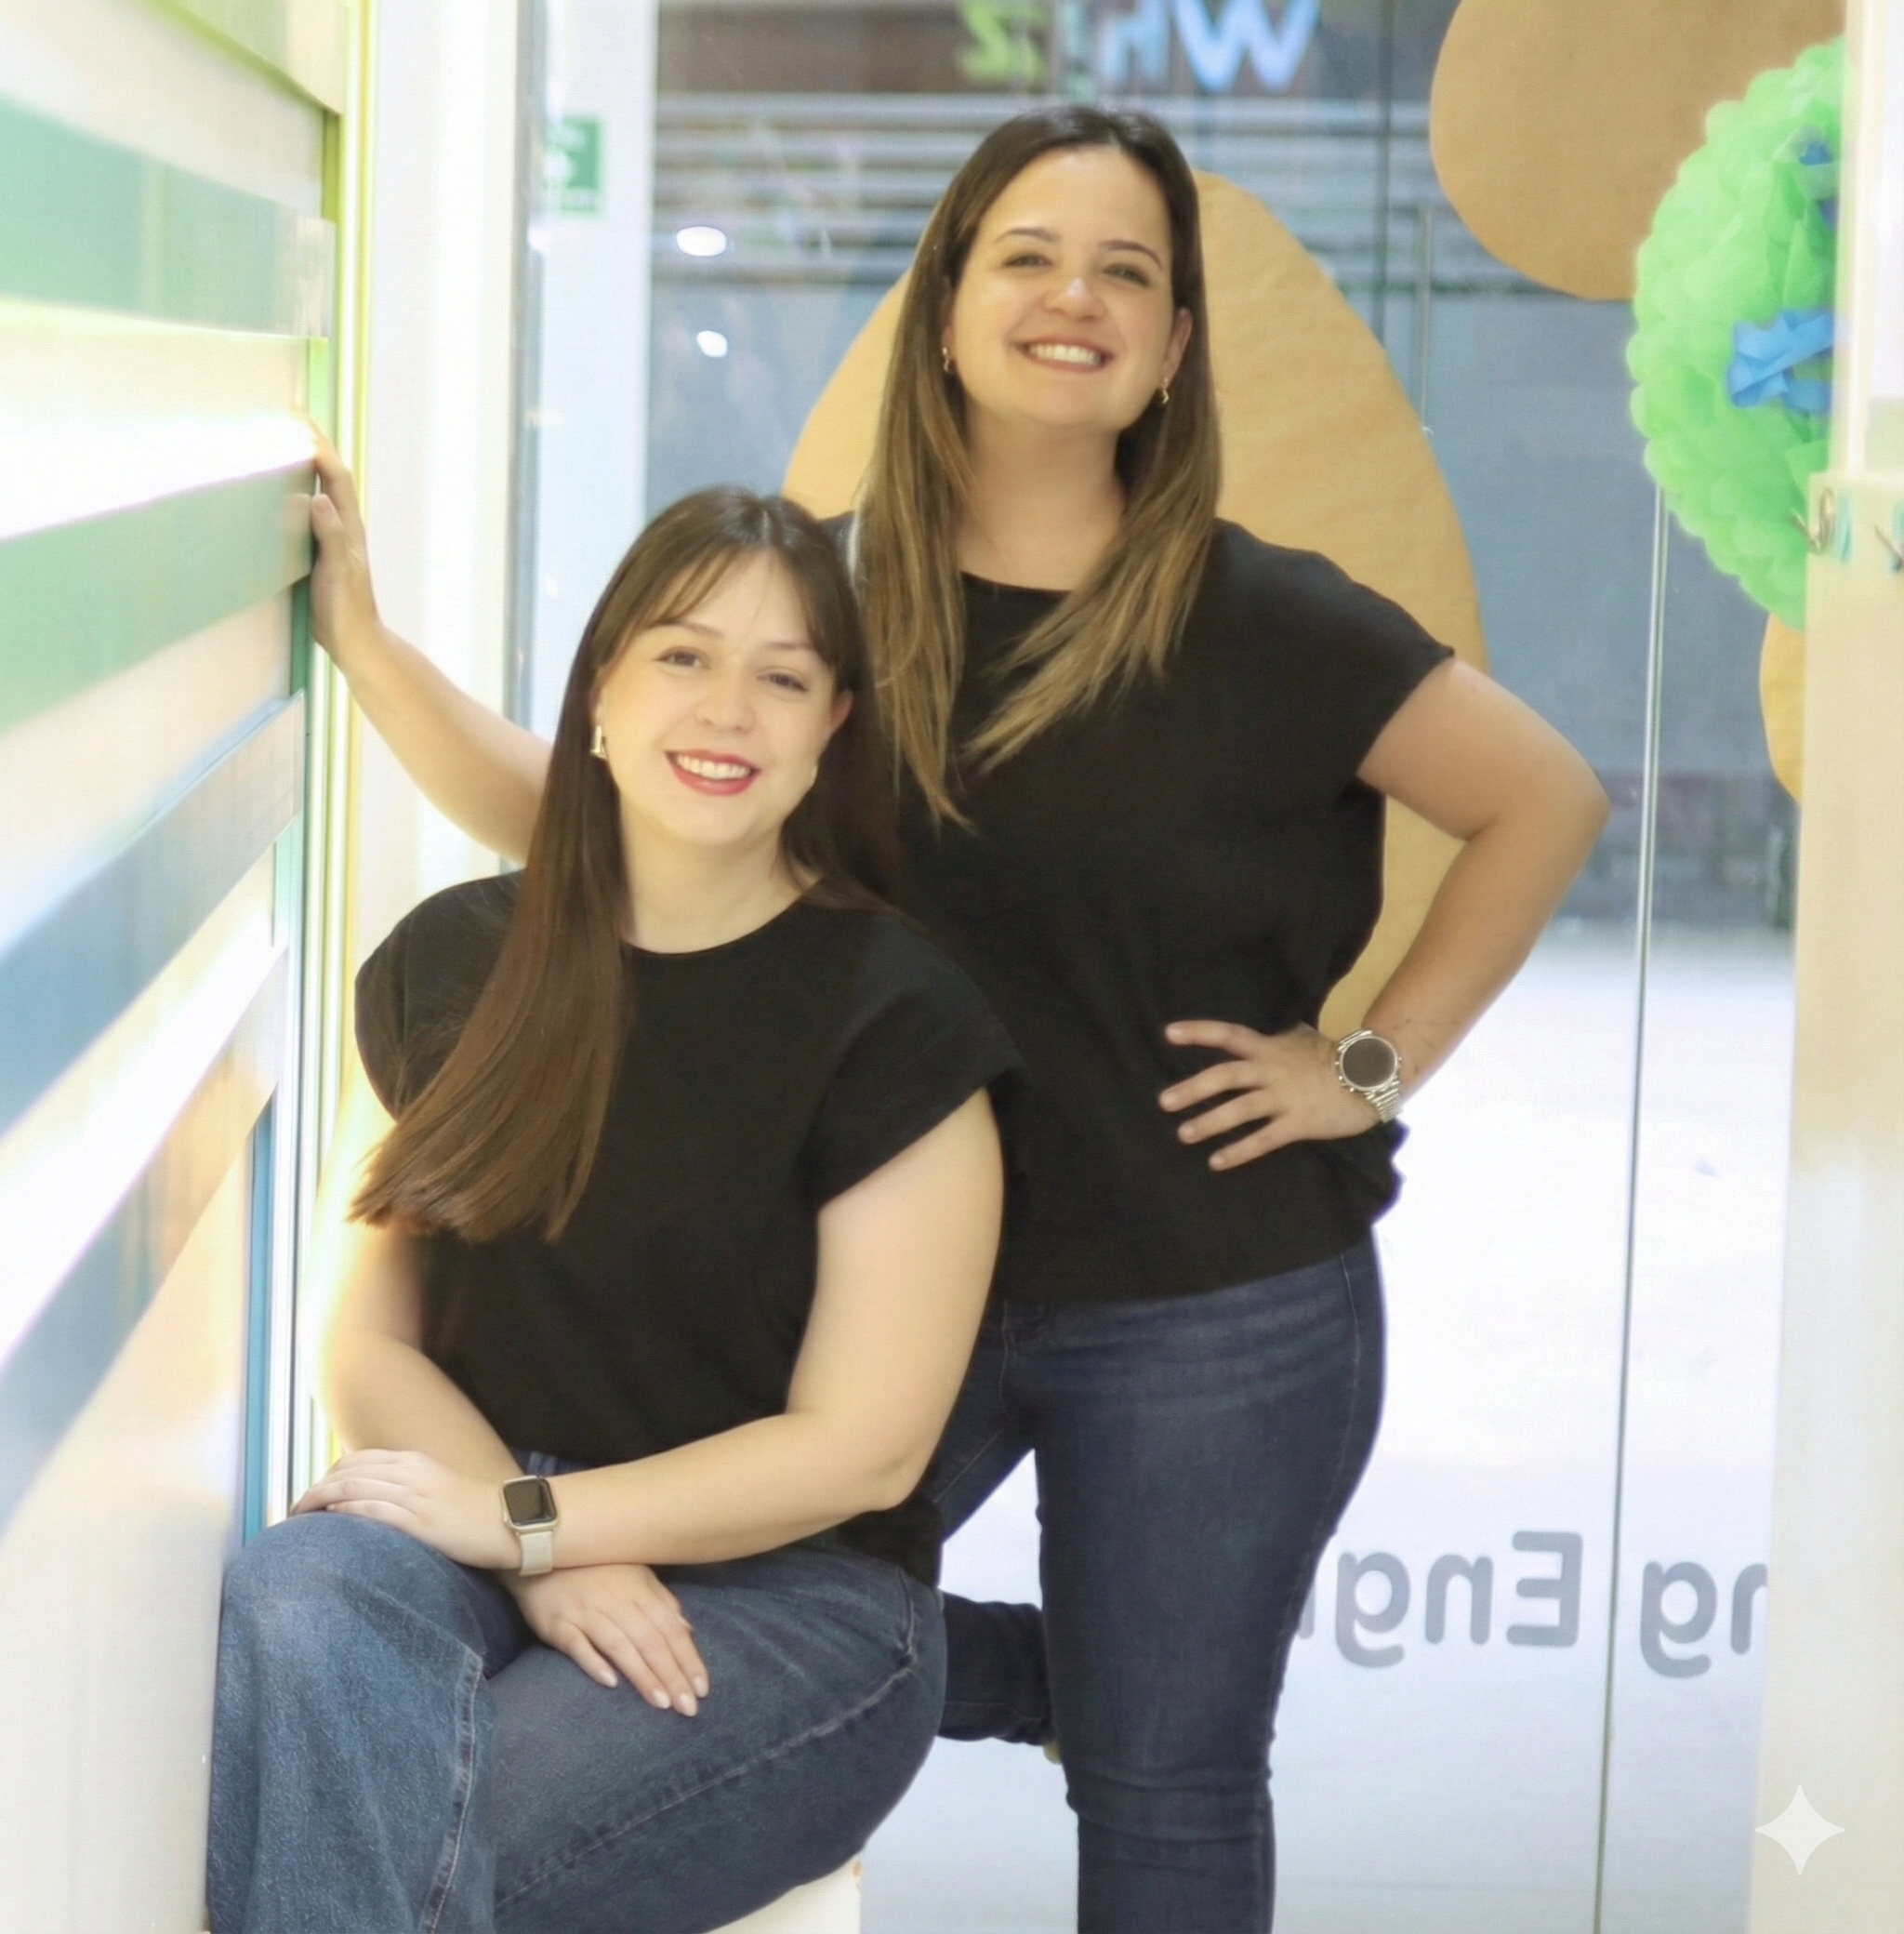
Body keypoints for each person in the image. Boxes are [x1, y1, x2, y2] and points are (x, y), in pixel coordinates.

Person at [302, 105, 1609, 1932]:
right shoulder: (825, 604)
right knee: (779, 1612)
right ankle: (1002, 1662)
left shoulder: (1267, 622)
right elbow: (618, 811)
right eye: (1027, 255)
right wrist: (367, 652)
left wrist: (1366, 1065)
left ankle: (1105, 1670)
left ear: (1168, 348)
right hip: (885, 1275)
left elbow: (1543, 796)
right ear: (944, 306)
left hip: (1209, 1305)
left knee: (1163, 1775)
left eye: (1125, 273)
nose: (1073, 298)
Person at [206, 487, 1019, 1934]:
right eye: (684, 658)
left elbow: (865, 1449)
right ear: (598, 700)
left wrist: (541, 1528)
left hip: (792, 1603)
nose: (730, 710)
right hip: (488, 1510)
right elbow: (369, 1342)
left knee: (423, 1831)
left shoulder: (895, 1019)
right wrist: (539, 1552)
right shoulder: (452, 966)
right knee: (301, 1596)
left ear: (832, 729)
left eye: (782, 679)